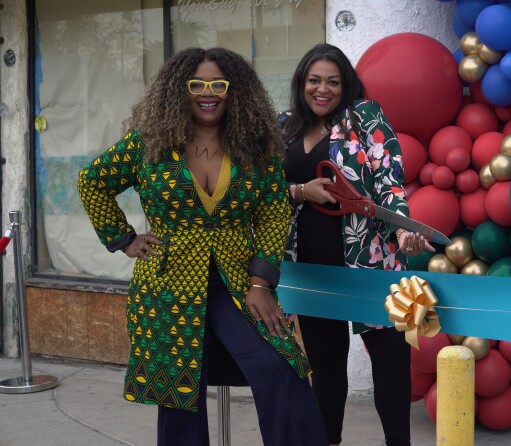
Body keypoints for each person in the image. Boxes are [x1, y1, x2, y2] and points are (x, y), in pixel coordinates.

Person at [77, 47, 325, 446]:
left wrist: (261, 282)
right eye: (197, 84)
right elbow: (93, 182)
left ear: (234, 90)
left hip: (237, 282)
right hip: (167, 284)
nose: (208, 93)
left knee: (280, 367)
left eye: (218, 84)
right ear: (180, 89)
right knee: (180, 397)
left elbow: (275, 211)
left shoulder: (256, 147)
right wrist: (124, 239)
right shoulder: (148, 143)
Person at [281, 43, 434, 446]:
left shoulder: (365, 116)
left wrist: (402, 231)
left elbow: (389, 181)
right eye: (315, 80)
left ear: (345, 84)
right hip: (311, 270)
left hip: (373, 263)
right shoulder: (285, 127)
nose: (323, 89)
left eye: (333, 82)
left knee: (391, 363)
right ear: (301, 83)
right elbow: (263, 191)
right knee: (326, 369)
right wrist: (301, 190)